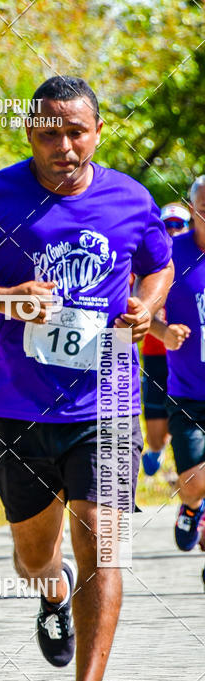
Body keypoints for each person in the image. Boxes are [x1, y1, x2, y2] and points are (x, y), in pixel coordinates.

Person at [0, 76, 174, 681]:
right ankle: (51, 593)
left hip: (109, 401)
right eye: (47, 133)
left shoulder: (131, 198)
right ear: (28, 133)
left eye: (75, 132)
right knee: (37, 557)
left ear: (98, 131)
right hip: (21, 410)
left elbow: (159, 266)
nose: (62, 145)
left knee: (103, 539)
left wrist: (147, 306)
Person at [155, 177, 205, 568]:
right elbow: (143, 306)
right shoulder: (172, 253)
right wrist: (162, 331)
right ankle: (191, 508)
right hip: (188, 391)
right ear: (193, 209)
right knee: (192, 484)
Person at [141, 203, 191, 475]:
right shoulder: (149, 262)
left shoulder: (195, 259)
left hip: (188, 354)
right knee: (157, 438)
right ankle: (162, 450)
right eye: (167, 225)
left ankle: (191, 481)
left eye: (178, 225)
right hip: (156, 354)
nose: (173, 231)